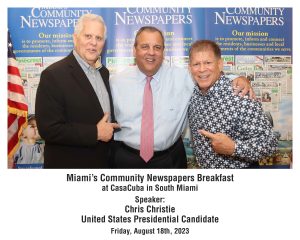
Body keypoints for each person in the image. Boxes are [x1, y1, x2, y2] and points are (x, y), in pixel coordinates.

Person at [110, 26, 253, 169]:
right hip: (126, 159)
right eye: (145, 46)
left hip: (170, 160)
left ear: (163, 52)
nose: (151, 52)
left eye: (157, 47)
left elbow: (209, 76)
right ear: (134, 50)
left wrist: (238, 79)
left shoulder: (184, 78)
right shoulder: (115, 82)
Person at [35, 14, 119, 169]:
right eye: (88, 36)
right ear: (75, 38)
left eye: (99, 38)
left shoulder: (104, 73)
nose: (93, 43)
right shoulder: (53, 75)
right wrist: (95, 133)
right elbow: (48, 129)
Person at [187, 40, 278, 168]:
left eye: (208, 63)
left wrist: (234, 148)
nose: (202, 69)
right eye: (196, 64)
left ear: (220, 64)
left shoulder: (240, 95)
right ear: (190, 68)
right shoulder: (193, 94)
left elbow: (270, 144)